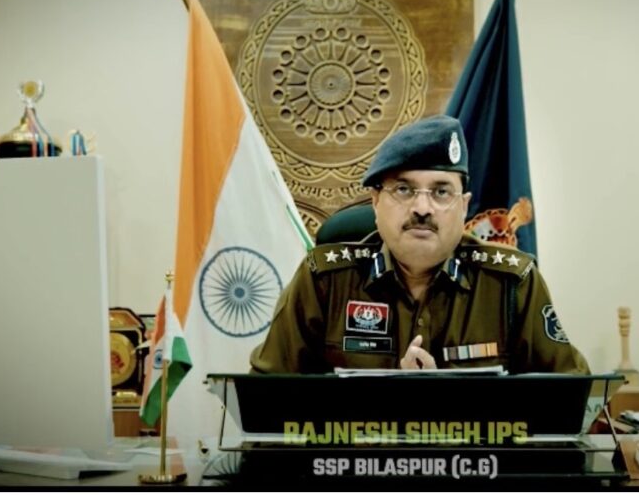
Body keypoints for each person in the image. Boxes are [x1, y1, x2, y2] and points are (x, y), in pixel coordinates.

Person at [249, 116, 589, 374]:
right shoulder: (324, 280)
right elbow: (263, 402)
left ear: (463, 207)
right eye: (403, 189)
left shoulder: (512, 283)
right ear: (375, 202)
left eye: (441, 191)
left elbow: (571, 401)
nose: (422, 208)